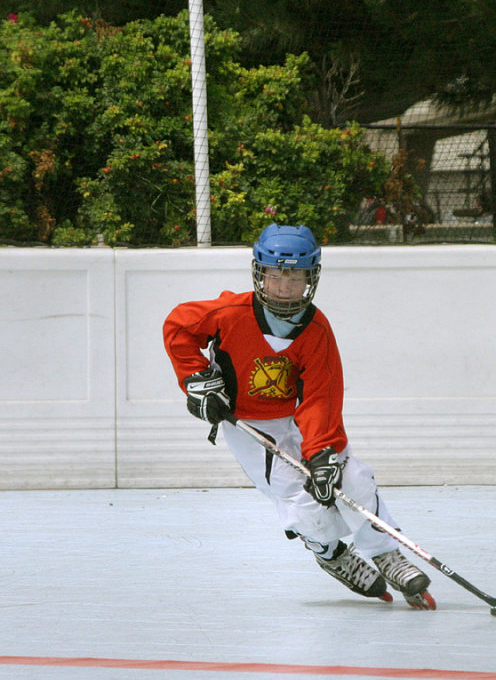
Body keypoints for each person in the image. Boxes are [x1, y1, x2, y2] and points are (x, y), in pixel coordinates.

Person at [163, 223, 435, 609]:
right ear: (260, 273)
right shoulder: (230, 313)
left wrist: (322, 453)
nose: (284, 285)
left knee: (349, 477)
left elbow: (320, 397)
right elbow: (178, 326)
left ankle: (386, 551)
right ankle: (329, 552)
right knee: (300, 500)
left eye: (296, 275)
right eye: (276, 274)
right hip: (247, 424)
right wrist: (194, 380)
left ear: (312, 278)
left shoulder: (317, 331)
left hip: (294, 416)